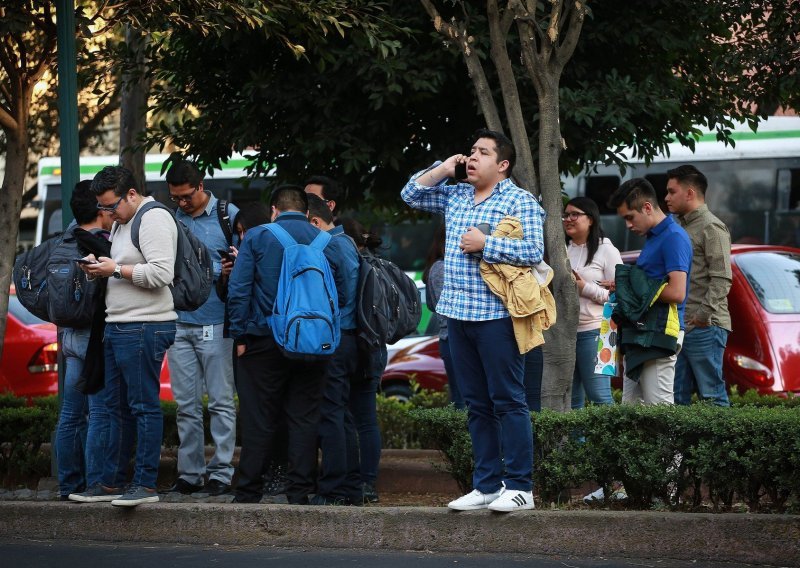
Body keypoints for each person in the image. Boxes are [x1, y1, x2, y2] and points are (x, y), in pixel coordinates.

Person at [401, 128, 544, 512]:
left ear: (503, 164)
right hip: (457, 316)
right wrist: (444, 168)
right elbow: (410, 193)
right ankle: (486, 485)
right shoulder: (456, 193)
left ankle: (520, 487)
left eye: (482, 152)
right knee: (476, 404)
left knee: (509, 401)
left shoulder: (519, 199)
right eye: (471, 150)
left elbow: (533, 249)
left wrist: (487, 245)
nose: (472, 157)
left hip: (498, 316)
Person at [78, 165, 179, 507]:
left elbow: (162, 272)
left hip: (145, 325)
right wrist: (99, 267)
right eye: (102, 209)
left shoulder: (153, 218)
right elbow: (122, 269)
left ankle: (145, 485)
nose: (107, 215)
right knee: (115, 408)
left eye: (111, 206)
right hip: (119, 324)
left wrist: (115, 269)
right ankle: (111, 483)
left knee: (142, 407)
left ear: (132, 194)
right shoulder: (124, 221)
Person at [227, 185, 333, 505]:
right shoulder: (325, 240)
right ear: (306, 211)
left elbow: (239, 290)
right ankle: (299, 491)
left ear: (274, 209)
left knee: (259, 417)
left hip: (263, 340)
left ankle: (248, 490)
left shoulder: (258, 237)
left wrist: (240, 336)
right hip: (313, 342)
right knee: (304, 416)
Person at [164, 160, 239, 496]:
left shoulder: (228, 215)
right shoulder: (170, 218)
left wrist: (223, 270)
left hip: (216, 319)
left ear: (201, 185)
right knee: (186, 405)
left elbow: (245, 261)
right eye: (175, 198)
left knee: (221, 401)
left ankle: (221, 471)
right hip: (179, 321)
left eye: (186, 196)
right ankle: (190, 473)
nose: (182, 203)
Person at [607, 178, 692, 405]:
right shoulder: (655, 237)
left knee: (659, 412)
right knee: (631, 410)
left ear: (647, 207)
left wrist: (631, 285)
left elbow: (677, 292)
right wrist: (625, 287)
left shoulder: (673, 237)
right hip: (642, 333)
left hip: (660, 333)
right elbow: (650, 285)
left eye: (629, 217)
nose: (628, 225)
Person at [57, 181, 113, 500]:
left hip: (69, 336)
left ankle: (68, 485)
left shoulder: (65, 239)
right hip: (94, 338)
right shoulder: (100, 242)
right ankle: (95, 483)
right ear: (98, 208)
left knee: (70, 414)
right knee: (100, 411)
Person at [306, 194, 362, 505]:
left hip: (334, 336)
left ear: (314, 222)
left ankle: (332, 490)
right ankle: (351, 488)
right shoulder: (348, 243)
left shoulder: (326, 246)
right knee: (342, 415)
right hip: (351, 336)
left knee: (331, 415)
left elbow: (334, 296)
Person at [665, 165, 732, 407]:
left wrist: (703, 316)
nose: (666, 198)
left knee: (712, 397)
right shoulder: (679, 226)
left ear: (690, 193)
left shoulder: (711, 227)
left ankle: (721, 447)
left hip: (705, 326)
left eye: (672, 192)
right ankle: (680, 447)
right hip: (682, 325)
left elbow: (722, 277)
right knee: (675, 397)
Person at [339, 216, 385, 504]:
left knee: (345, 416)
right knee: (367, 419)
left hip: (353, 345)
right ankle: (368, 482)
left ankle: (353, 480)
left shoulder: (350, 263)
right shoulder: (378, 265)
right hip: (375, 348)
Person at [563, 197, 621, 408]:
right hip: (566, 333)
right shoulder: (562, 250)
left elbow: (618, 296)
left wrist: (583, 287)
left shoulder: (606, 249)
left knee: (600, 396)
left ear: (591, 219)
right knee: (571, 401)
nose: (568, 219)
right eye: (566, 215)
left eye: (575, 214)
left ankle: (610, 442)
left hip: (598, 330)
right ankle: (576, 443)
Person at [422, 224, 464, 409]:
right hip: (454, 337)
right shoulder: (443, 268)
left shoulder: (437, 267)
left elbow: (432, 305)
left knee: (463, 398)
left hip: (451, 338)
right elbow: (444, 306)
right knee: (464, 400)